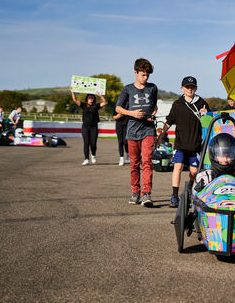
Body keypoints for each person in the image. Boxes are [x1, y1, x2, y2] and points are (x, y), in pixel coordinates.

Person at [156, 76, 210, 208]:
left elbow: (209, 123)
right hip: (180, 144)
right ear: (182, 88)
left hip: (195, 145)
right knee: (178, 168)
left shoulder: (202, 103)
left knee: (193, 172)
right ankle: (174, 196)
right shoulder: (177, 104)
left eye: (192, 87)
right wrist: (161, 135)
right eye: (187, 87)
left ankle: (190, 191)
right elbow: (169, 121)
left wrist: (207, 114)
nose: (190, 89)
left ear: (196, 88)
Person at [116, 58, 158, 207]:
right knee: (134, 163)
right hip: (132, 130)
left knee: (147, 162)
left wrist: (152, 114)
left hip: (148, 130)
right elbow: (118, 108)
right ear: (135, 72)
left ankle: (146, 194)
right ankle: (135, 192)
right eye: (143, 75)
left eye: (147, 75)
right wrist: (132, 113)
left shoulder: (152, 88)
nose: (145, 78)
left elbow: (154, 106)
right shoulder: (127, 89)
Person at [71, 89, 108, 166]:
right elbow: (75, 100)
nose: (91, 99)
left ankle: (93, 155)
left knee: (93, 144)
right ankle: (86, 159)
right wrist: (72, 91)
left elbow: (105, 103)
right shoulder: (83, 105)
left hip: (94, 127)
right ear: (87, 99)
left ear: (94, 99)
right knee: (86, 143)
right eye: (89, 98)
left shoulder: (96, 106)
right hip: (85, 127)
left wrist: (101, 96)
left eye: (92, 97)